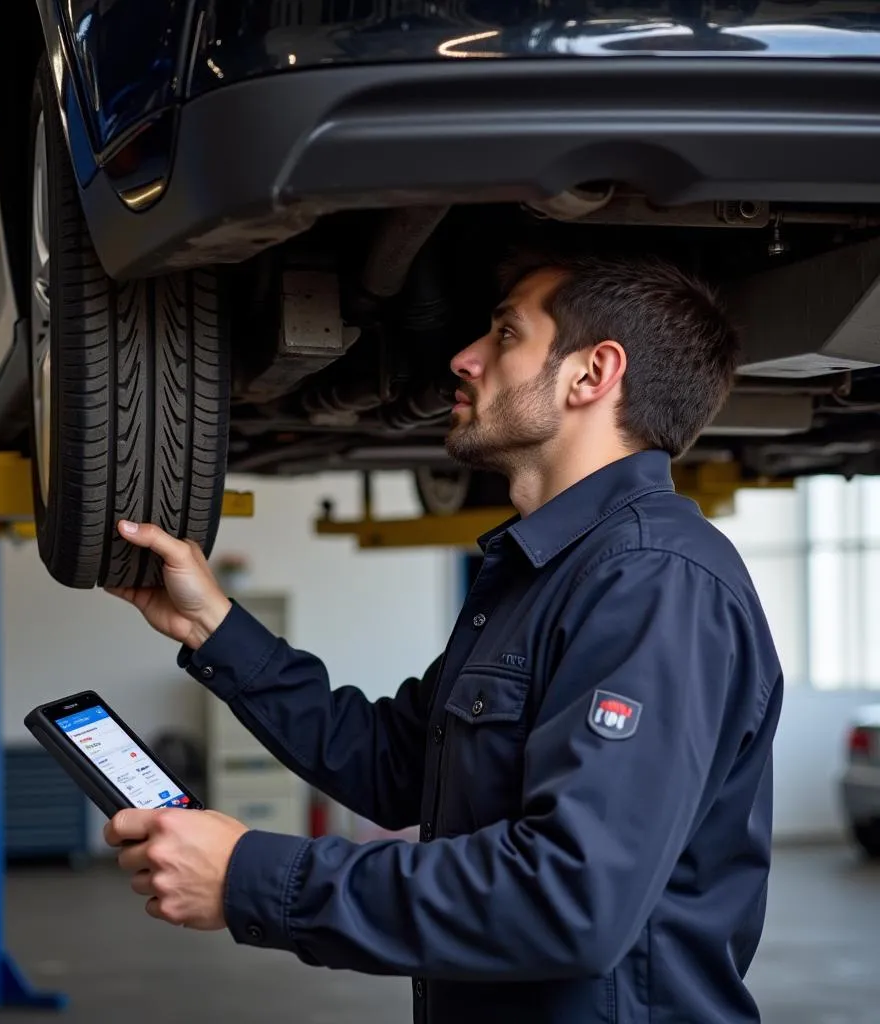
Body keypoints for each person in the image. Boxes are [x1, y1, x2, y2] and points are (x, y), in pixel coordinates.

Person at [103, 250, 784, 1024]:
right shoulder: (544, 572)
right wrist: (212, 625)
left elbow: (569, 900)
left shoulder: (655, 582)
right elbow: (399, 765)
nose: (463, 358)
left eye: (504, 335)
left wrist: (251, 875)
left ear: (592, 374)